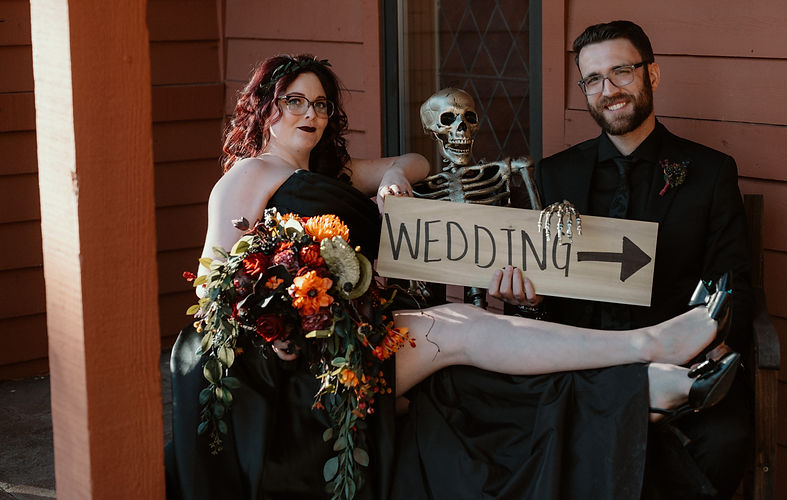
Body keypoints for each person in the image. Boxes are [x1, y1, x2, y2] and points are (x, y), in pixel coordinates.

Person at [166, 54, 740, 500]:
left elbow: (418, 163)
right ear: (264, 107)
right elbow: (217, 289)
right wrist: (283, 319)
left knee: (469, 337)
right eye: (294, 102)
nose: (310, 115)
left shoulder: (329, 171)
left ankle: (649, 384)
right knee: (463, 330)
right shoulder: (248, 176)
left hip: (352, 340)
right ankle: (650, 346)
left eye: (320, 104)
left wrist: (390, 176)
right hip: (293, 371)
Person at [490, 20, 753, 499]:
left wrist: (713, 343)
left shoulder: (709, 172)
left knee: (724, 439)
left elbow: (732, 280)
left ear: (652, 75)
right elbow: (539, 287)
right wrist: (523, 299)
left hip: (676, 360)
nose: (608, 90)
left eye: (621, 72)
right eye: (593, 79)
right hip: (579, 360)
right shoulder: (554, 175)